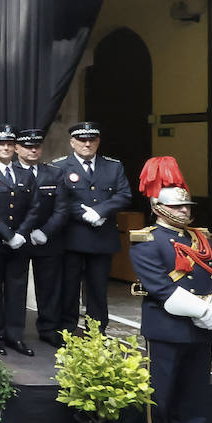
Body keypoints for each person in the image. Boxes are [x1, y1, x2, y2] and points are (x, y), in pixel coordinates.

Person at [129, 157, 212, 423]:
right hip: (168, 323)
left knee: (196, 385)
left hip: (204, 323)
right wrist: (201, 310)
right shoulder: (147, 241)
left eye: (187, 206)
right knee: (164, 385)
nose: (185, 210)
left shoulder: (201, 239)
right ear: (160, 208)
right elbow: (160, 288)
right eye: (177, 207)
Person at [55, 121, 131, 334]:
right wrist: (85, 215)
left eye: (92, 139)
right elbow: (59, 199)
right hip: (72, 238)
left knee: (98, 289)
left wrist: (101, 211)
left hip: (101, 237)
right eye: (81, 139)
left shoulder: (113, 166)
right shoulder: (59, 167)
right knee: (69, 287)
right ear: (72, 142)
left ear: (98, 142)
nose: (87, 144)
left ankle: (96, 332)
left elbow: (124, 195)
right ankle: (67, 330)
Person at [0, 126, 38, 356]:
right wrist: (8, 235)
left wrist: (21, 234)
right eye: (1, 144)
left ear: (15, 147)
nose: (6, 148)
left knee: (17, 290)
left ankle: (14, 335)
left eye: (10, 144)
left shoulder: (25, 174)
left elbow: (34, 208)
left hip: (20, 242)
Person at [15, 129, 67, 348]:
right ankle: (14, 331)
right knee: (16, 286)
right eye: (28, 146)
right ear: (17, 148)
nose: (33, 150)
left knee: (49, 286)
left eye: (36, 146)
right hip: (17, 239)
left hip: (47, 238)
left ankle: (49, 329)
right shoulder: (10, 172)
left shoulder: (53, 173)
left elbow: (62, 208)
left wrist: (45, 231)